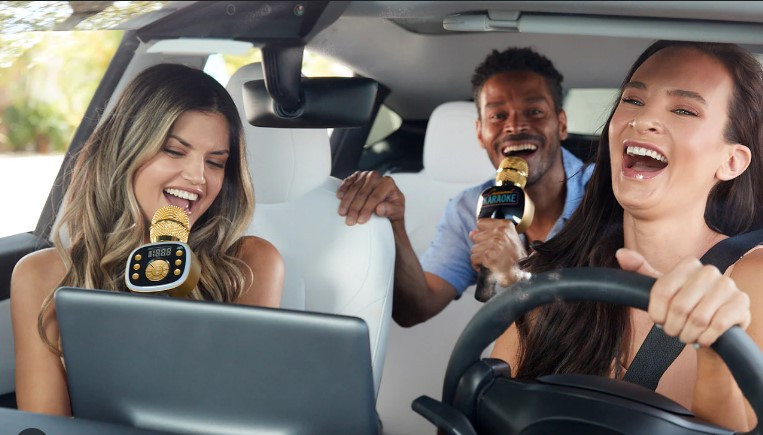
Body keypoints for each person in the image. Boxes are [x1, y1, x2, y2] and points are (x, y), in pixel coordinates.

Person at [490, 40, 763, 431]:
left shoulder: (752, 279)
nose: (642, 120)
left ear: (731, 161)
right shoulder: (556, 280)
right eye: (633, 101)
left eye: (684, 109)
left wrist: (717, 351)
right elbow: (483, 408)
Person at [10, 63, 284, 416]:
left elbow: (247, 412)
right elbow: (47, 423)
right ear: (126, 149)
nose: (198, 177)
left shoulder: (249, 264)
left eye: (215, 162)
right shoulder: (40, 274)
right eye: (174, 151)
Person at [337, 47, 593, 327]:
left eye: (534, 111)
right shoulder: (470, 207)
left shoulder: (609, 195)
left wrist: (515, 277)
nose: (515, 126)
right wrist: (395, 222)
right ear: (480, 133)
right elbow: (416, 308)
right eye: (497, 116)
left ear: (561, 124)